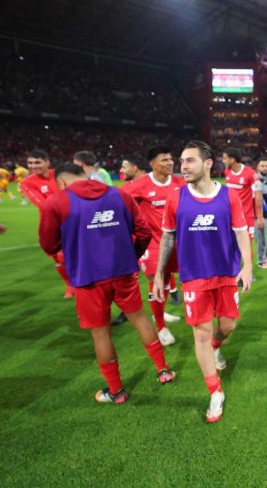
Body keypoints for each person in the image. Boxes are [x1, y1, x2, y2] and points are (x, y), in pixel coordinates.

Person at [38, 163, 175, 404]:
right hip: (123, 272)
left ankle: (116, 391)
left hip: (87, 277)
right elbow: (143, 231)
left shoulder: (57, 201)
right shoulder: (119, 194)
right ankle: (164, 370)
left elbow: (49, 245)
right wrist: (131, 256)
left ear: (61, 182)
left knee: (101, 334)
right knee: (140, 318)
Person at [154, 140, 253, 423]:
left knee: (227, 325)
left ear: (208, 163)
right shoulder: (176, 197)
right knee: (201, 334)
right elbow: (168, 237)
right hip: (194, 276)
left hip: (226, 273)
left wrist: (247, 265)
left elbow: (241, 231)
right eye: (181, 161)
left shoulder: (229, 195)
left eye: (190, 161)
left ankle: (217, 346)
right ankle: (215, 391)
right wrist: (160, 274)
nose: (183, 166)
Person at [121, 148, 186, 344]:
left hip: (177, 240)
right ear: (152, 164)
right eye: (164, 160)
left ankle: (162, 312)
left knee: (168, 281)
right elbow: (117, 201)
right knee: (155, 280)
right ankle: (161, 327)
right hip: (152, 242)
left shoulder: (180, 183)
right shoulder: (139, 185)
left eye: (171, 159)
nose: (170, 162)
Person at [20, 150, 74, 298]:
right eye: (30, 163)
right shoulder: (27, 183)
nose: (33, 166)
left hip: (73, 219)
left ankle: (83, 281)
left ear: (47, 162)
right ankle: (70, 285)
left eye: (37, 162)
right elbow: (42, 205)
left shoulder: (60, 174)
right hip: (51, 222)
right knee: (57, 257)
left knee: (73, 253)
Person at [222, 147, 263, 250]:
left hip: (246, 216)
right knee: (231, 245)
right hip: (230, 215)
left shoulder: (251, 174)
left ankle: (249, 262)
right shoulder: (227, 172)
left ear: (232, 159)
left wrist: (260, 217)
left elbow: (258, 196)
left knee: (246, 246)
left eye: (225, 158)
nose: (223, 161)